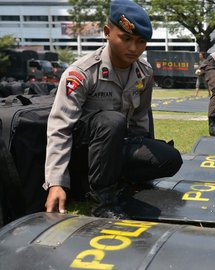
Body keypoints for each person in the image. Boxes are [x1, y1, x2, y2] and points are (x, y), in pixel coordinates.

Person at [43, 0, 183, 219]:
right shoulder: (81, 73)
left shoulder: (143, 73)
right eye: (126, 38)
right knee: (112, 120)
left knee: (170, 159)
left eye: (141, 41)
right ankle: (103, 200)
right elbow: (60, 129)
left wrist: (145, 158)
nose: (133, 48)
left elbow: (139, 121)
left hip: (116, 149)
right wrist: (56, 182)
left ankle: (118, 180)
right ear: (107, 32)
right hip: (83, 154)